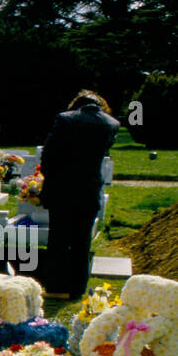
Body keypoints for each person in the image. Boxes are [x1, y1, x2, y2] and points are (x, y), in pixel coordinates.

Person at [38, 90, 120, 298]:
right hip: (89, 189)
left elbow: (49, 155)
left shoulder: (65, 119)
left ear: (77, 104)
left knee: (58, 239)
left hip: (63, 189)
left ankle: (56, 287)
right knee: (82, 242)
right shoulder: (111, 124)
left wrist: (49, 176)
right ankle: (77, 289)